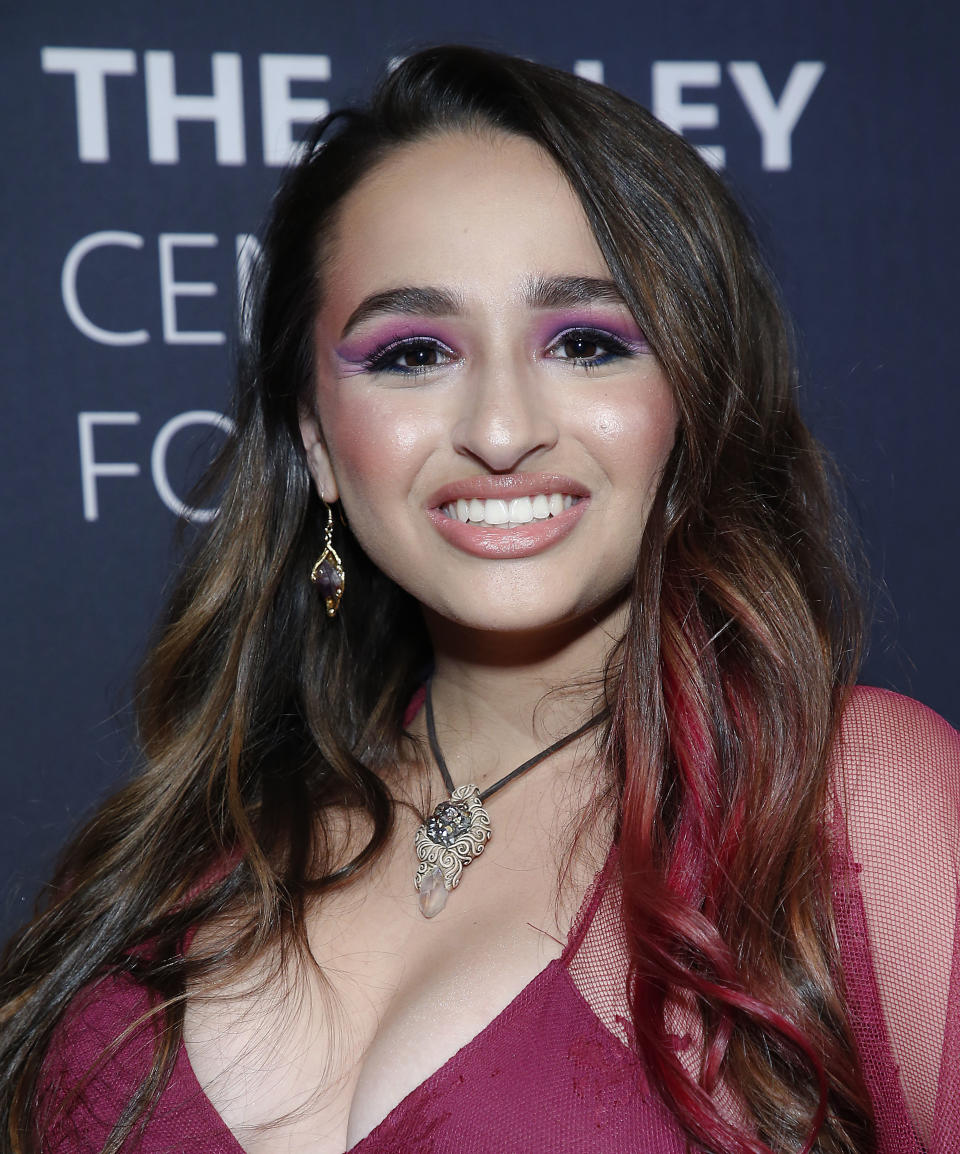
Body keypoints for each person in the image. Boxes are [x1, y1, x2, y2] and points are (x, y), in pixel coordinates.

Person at [1, 44, 957, 1154]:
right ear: (315, 436)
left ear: (690, 400)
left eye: (589, 341)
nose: (501, 431)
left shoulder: (843, 810)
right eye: (412, 353)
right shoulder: (194, 851)